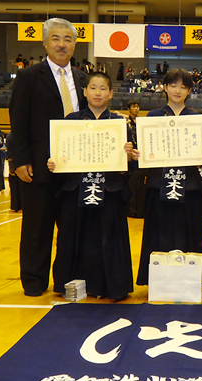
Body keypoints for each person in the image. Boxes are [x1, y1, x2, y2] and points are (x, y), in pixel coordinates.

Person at [8, 18, 88, 297]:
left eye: (67, 39)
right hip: (38, 167)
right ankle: (34, 281)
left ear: (75, 45)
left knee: (72, 229)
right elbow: (17, 121)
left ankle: (66, 281)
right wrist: (19, 160)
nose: (61, 44)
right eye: (55, 39)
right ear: (44, 43)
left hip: (76, 167)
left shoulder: (82, 79)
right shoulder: (29, 76)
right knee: (36, 228)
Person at [46, 72, 135, 300]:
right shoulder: (70, 121)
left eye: (103, 88)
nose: (97, 93)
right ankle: (71, 286)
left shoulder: (120, 123)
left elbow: (132, 165)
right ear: (84, 92)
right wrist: (53, 161)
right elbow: (59, 155)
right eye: (93, 88)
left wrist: (130, 155)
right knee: (74, 237)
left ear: (111, 94)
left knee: (109, 238)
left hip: (111, 190)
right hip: (75, 190)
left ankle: (112, 286)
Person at [136, 68, 202, 287]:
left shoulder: (196, 119)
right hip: (158, 185)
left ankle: (191, 281)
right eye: (173, 85)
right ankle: (157, 281)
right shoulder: (153, 117)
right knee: (158, 232)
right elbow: (144, 153)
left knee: (190, 232)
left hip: (189, 186)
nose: (177, 90)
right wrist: (137, 154)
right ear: (164, 87)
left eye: (183, 86)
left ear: (189, 90)